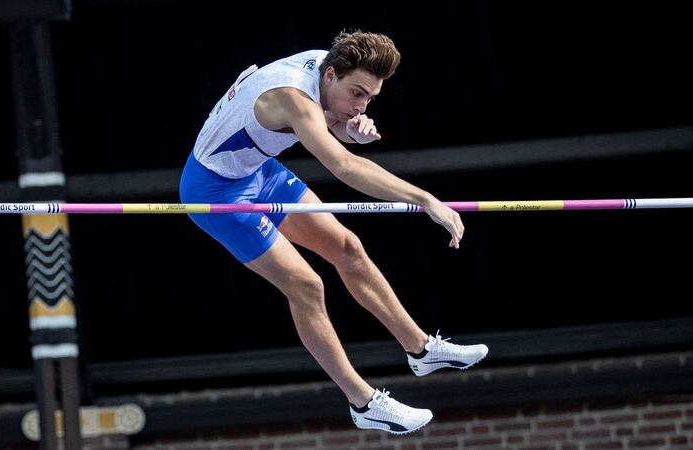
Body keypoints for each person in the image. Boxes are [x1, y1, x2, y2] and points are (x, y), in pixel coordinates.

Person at [179, 30, 488, 434]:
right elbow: (342, 166)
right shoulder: (291, 96)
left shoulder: (323, 65)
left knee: (348, 247)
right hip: (216, 189)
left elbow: (331, 130)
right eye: (357, 94)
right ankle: (364, 403)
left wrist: (348, 130)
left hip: (258, 168)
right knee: (307, 285)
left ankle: (421, 350)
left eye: (369, 99)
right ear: (330, 75)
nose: (361, 104)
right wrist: (425, 199)